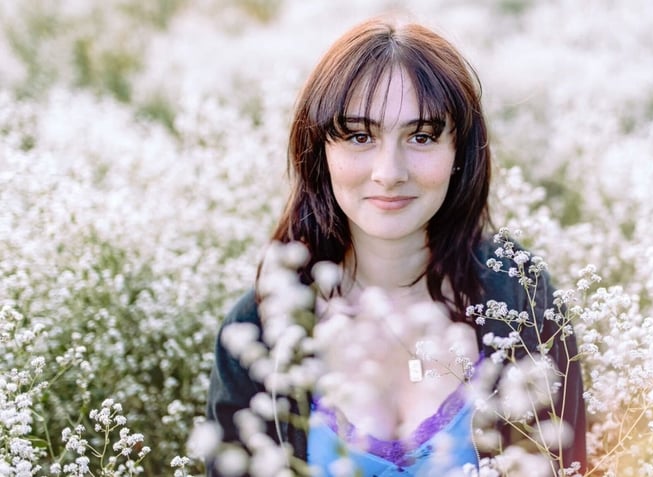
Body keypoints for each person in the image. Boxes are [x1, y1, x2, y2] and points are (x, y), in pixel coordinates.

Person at [207, 17, 586, 477]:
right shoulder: (258, 330)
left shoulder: (522, 301)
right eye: (360, 136)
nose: (390, 171)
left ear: (459, 154)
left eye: (421, 136)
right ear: (319, 150)